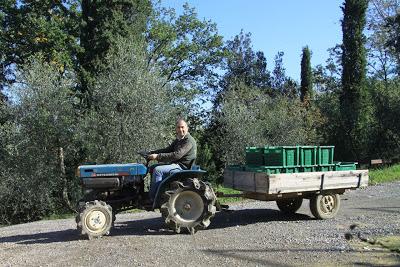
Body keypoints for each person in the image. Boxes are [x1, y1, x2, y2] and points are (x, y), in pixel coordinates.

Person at [147, 119, 197, 200]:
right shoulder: (179, 140)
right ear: (176, 129)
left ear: (187, 128)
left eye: (182, 127)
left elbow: (177, 155)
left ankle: (154, 198)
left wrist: (157, 156)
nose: (180, 129)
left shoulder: (189, 141)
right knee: (152, 168)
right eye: (178, 127)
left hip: (182, 167)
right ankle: (150, 193)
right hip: (176, 164)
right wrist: (152, 152)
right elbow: (168, 150)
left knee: (158, 170)